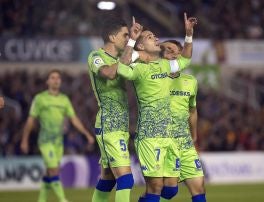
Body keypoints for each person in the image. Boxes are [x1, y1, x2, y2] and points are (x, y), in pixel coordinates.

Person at [117, 13, 197, 202]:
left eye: (155, 36)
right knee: (155, 187)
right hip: (149, 136)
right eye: (151, 37)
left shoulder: (164, 65)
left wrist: (188, 34)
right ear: (142, 45)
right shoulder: (139, 69)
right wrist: (132, 41)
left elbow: (185, 60)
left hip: (169, 136)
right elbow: (121, 69)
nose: (157, 39)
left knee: (170, 190)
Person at [87, 15, 142, 202]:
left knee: (108, 179)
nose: (127, 39)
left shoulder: (122, 57)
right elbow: (110, 73)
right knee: (126, 179)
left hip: (121, 125)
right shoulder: (96, 56)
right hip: (108, 124)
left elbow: (144, 58)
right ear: (112, 37)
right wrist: (132, 44)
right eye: (125, 35)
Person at [20, 69, 94, 202]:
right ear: (47, 81)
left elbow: (74, 119)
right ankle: (62, 199)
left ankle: (41, 200)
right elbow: (31, 120)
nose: (56, 80)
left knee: (50, 172)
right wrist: (24, 139)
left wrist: (86, 134)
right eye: (53, 78)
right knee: (54, 170)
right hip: (45, 141)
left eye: (58, 78)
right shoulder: (40, 98)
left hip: (58, 142)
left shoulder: (64, 100)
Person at [160, 40, 206, 202]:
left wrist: (193, 134)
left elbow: (192, 110)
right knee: (170, 190)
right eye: (167, 50)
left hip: (185, 141)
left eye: (174, 50)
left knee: (199, 188)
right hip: (163, 140)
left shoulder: (191, 81)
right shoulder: (154, 79)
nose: (171, 53)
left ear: (181, 54)